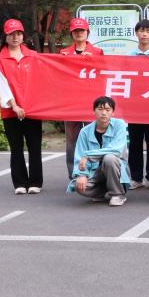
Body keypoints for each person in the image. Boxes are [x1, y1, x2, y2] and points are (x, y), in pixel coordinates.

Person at [0, 19, 43, 195]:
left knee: (35, 147)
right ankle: (20, 183)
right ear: (5, 37)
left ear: (23, 36)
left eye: (19, 34)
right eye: (12, 34)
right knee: (16, 148)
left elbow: (42, 79)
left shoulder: (34, 56)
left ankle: (35, 182)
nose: (15, 37)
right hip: (11, 111)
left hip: (32, 110)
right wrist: (14, 105)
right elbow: (2, 84)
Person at [60, 17, 105, 178]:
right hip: (71, 102)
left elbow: (103, 74)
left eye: (82, 30)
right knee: (72, 139)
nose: (79, 33)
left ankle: (95, 174)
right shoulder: (64, 53)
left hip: (91, 101)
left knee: (94, 136)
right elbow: (60, 75)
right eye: (76, 31)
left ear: (87, 32)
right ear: (72, 33)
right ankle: (74, 174)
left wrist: (92, 61)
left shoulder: (97, 52)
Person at [67, 96, 129, 206]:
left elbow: (116, 150)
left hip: (117, 171)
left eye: (108, 110)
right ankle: (103, 192)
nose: (104, 113)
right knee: (79, 186)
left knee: (109, 158)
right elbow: (79, 157)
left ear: (113, 112)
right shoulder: (85, 131)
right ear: (94, 111)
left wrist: (88, 156)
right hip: (95, 173)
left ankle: (117, 194)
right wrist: (81, 175)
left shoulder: (120, 125)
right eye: (100, 109)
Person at [127, 19, 149, 191]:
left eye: (148, 31)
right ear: (136, 33)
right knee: (135, 143)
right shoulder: (128, 56)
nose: (144, 34)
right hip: (134, 106)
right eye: (141, 31)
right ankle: (136, 177)